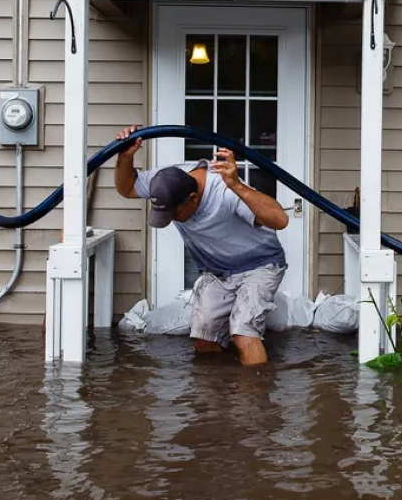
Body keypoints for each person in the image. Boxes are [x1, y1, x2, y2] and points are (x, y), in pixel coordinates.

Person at [113, 125, 289, 366]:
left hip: (260, 265)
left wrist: (237, 186)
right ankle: (216, 395)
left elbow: (281, 220)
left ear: (193, 199)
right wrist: (125, 156)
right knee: (204, 337)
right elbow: (127, 188)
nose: (173, 219)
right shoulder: (165, 180)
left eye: (175, 213)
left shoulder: (224, 191)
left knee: (243, 331)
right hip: (217, 272)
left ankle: (254, 399)